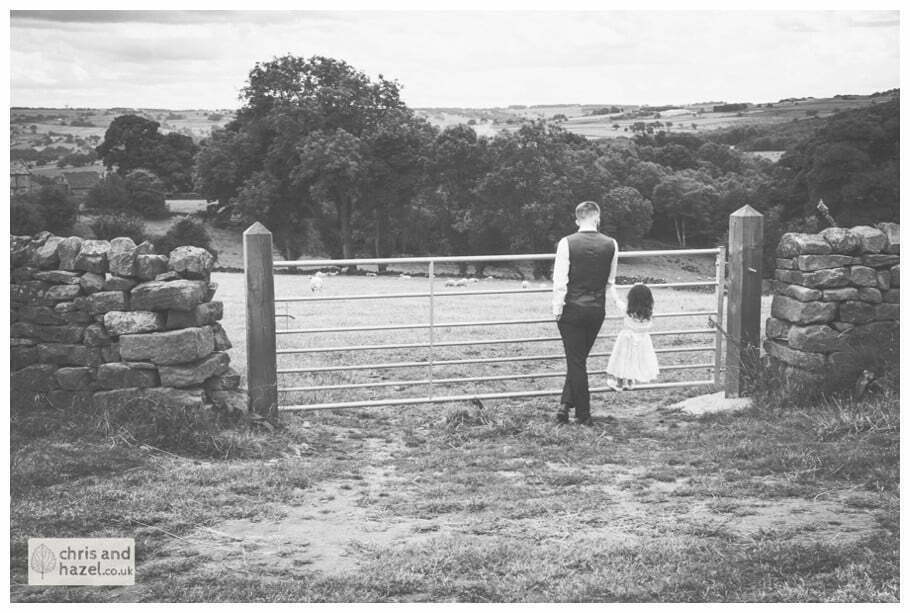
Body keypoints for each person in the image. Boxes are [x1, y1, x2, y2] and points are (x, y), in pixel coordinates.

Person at [552, 201, 619, 426]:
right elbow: (610, 280)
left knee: (576, 362)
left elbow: (560, 281)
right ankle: (564, 405)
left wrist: (557, 309)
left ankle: (583, 414)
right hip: (596, 310)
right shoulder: (612, 244)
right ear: (597, 218)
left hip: (572, 309)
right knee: (578, 360)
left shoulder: (566, 243)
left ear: (577, 218)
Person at [606, 283, 660, 390]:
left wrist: (612, 287)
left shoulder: (628, 311)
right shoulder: (649, 314)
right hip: (642, 340)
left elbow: (616, 300)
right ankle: (630, 382)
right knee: (635, 360)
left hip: (627, 339)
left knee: (623, 360)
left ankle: (619, 383)